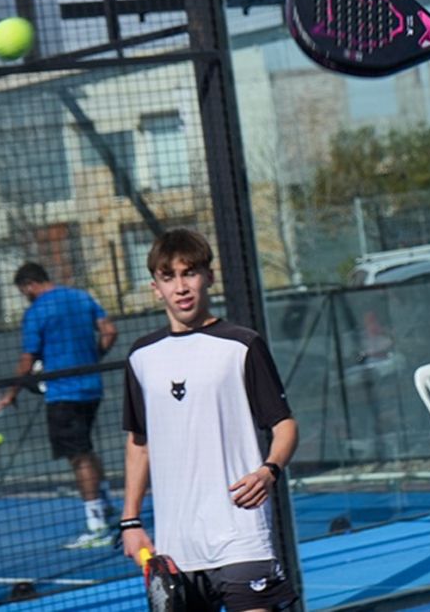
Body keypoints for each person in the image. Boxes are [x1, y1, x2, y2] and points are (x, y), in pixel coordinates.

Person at [119, 228, 298, 611]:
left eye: (190, 273)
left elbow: (284, 425)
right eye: (169, 277)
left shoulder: (242, 345)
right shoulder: (140, 357)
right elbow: (139, 442)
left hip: (241, 533)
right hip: (175, 549)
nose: (181, 287)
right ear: (156, 288)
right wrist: (130, 522)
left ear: (209, 277)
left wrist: (269, 470)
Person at [0, 262, 119, 549]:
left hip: (64, 393)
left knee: (78, 457)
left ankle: (97, 526)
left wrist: (12, 393)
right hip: (91, 388)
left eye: (23, 291)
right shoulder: (81, 297)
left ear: (28, 285)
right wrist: (90, 360)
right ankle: (106, 503)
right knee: (85, 448)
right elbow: (110, 331)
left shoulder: (37, 311)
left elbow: (27, 359)